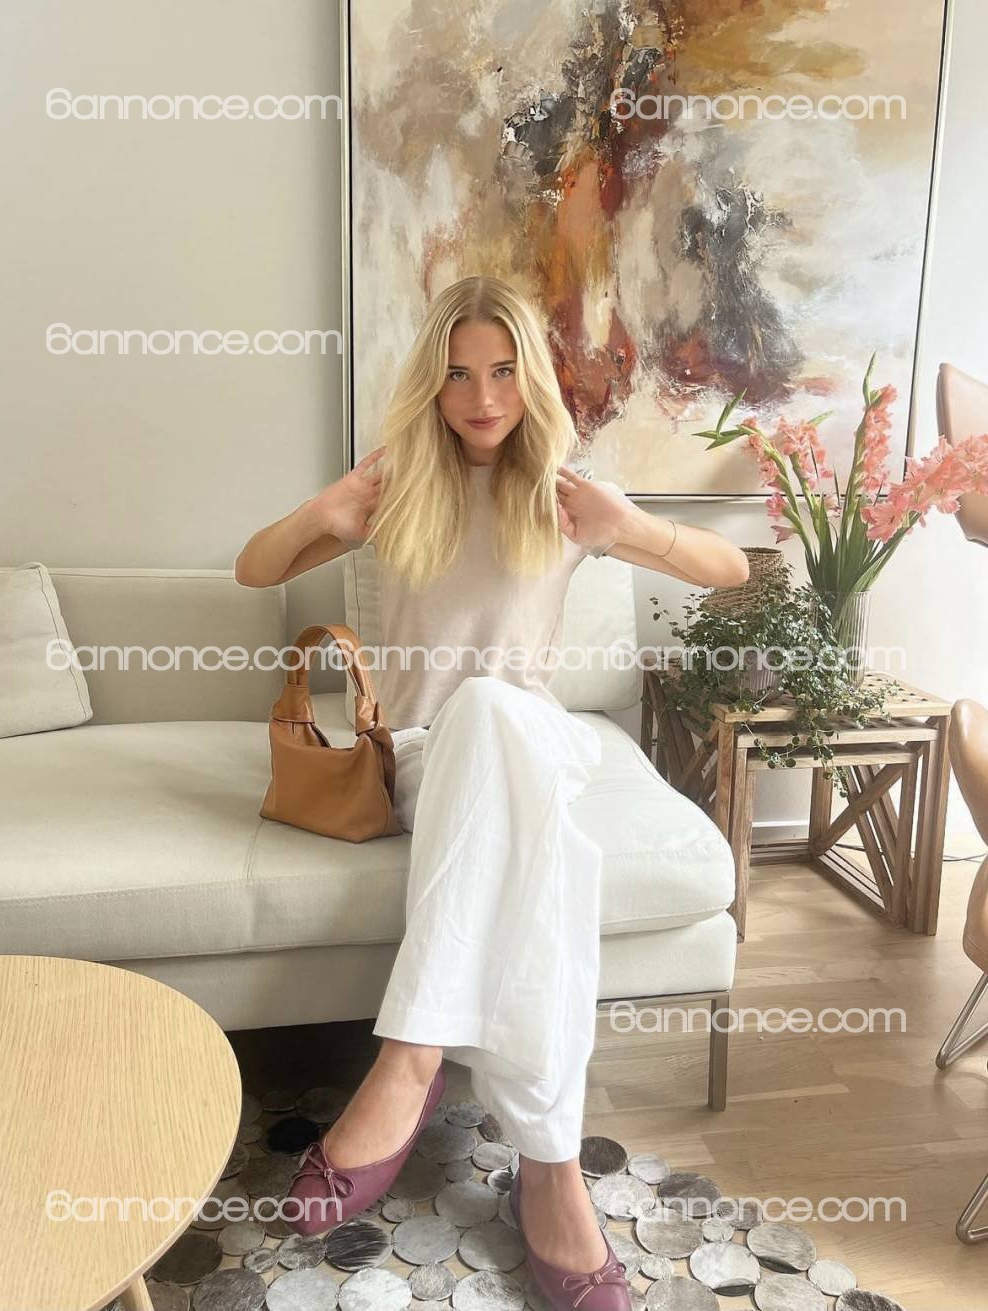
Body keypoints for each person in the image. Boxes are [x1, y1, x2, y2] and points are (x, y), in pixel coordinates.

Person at [235, 274, 748, 1308]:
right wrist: (319, 513)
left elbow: (728, 567)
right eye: (460, 373)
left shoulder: (566, 493)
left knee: (499, 713)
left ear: (532, 378)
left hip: (535, 742)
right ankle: (552, 1170)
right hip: (427, 757)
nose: (482, 396)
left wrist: (632, 528)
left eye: (504, 371)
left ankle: (412, 1054)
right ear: (433, 382)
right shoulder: (397, 487)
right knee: (537, 825)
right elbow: (255, 570)